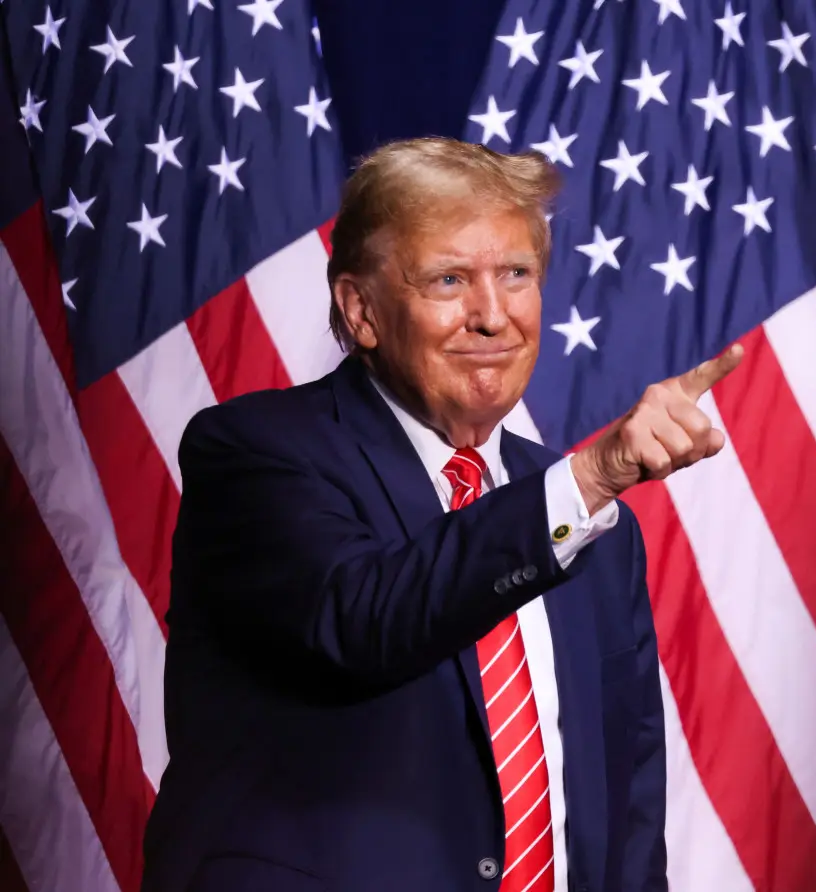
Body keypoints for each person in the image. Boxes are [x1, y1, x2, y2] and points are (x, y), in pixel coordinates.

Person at [142, 137, 743, 892]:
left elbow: (627, 793)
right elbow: (363, 617)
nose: (492, 317)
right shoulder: (257, 454)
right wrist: (591, 476)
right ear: (360, 310)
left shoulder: (585, 522)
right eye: (449, 279)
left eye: (516, 275)